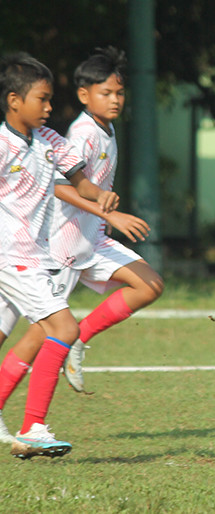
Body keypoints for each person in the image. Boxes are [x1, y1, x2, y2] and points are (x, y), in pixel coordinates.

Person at [0, 47, 164, 420]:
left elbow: (81, 182)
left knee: (149, 285)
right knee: (42, 333)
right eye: (106, 93)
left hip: (91, 239)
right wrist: (113, 213)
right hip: (59, 246)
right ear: (85, 95)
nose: (116, 100)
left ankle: (78, 343)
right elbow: (63, 186)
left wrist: (103, 206)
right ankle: (30, 425)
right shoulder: (82, 133)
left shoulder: (81, 134)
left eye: (119, 93)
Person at [0, 52, 118, 458]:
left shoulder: (49, 141)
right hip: (11, 256)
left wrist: (99, 194)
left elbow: (79, 181)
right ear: (14, 100)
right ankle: (33, 427)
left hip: (34, 255)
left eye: (51, 100)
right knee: (65, 330)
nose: (49, 108)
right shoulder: (2, 145)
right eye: (42, 99)